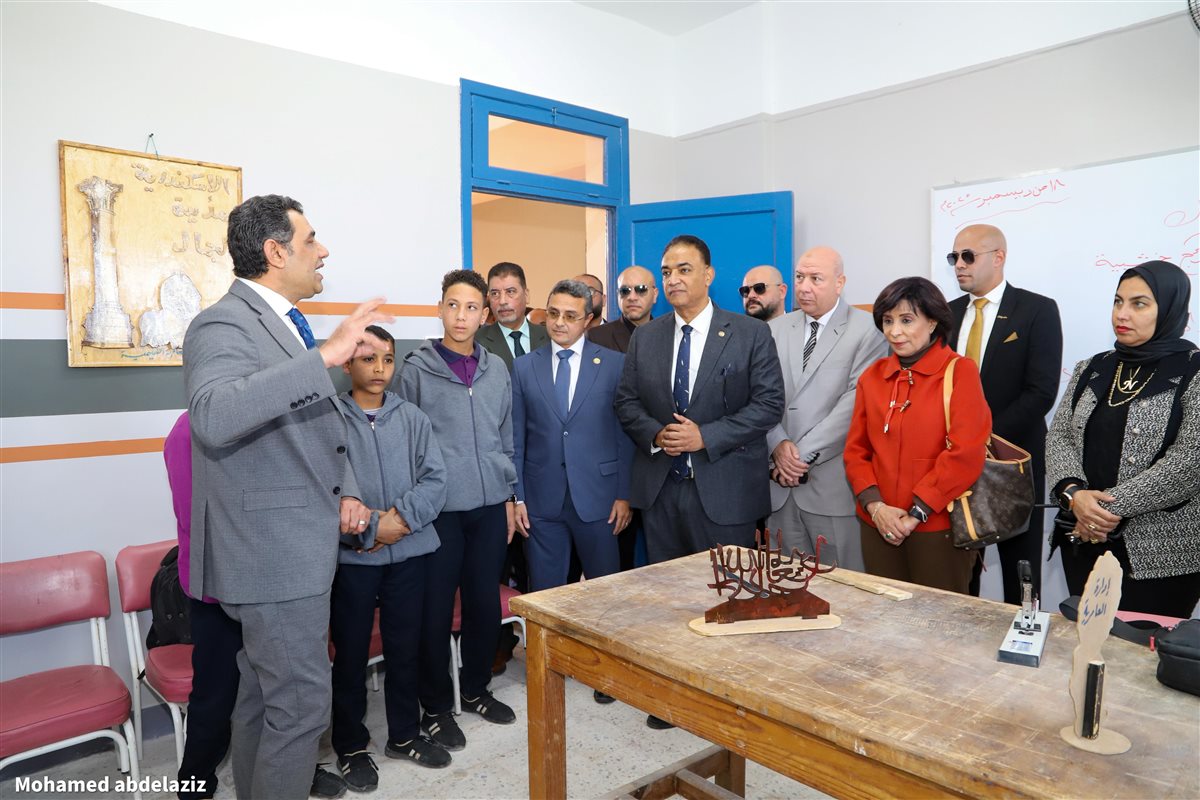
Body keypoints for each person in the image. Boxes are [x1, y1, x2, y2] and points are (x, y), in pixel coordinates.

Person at [184, 194, 390, 800]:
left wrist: (347, 493)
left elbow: (310, 433)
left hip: (292, 548)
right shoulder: (223, 323)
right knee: (300, 708)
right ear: (276, 252)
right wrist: (326, 355)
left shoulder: (281, 324)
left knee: (262, 702)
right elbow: (214, 416)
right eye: (310, 240)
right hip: (271, 556)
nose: (323, 251)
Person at [615, 234, 784, 729]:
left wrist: (704, 436)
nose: (673, 280)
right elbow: (626, 402)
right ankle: (672, 699)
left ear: (708, 275)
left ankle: (727, 701)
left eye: (684, 270)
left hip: (726, 492)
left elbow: (768, 405)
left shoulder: (749, 333)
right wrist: (658, 434)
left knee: (729, 599)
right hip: (662, 490)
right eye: (666, 271)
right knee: (670, 603)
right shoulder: (647, 337)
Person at [397, 269, 518, 752]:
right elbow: (402, 441)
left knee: (484, 605)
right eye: (453, 305)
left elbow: (506, 437)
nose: (461, 316)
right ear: (440, 309)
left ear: (484, 314)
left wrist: (509, 497)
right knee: (435, 611)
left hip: (489, 507)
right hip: (439, 511)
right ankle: (435, 707)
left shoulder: (497, 369)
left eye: (471, 307)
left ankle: (475, 690)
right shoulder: (415, 370)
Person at [330, 325, 449, 791]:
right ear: (347, 364)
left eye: (387, 359)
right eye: (368, 359)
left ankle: (404, 734)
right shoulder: (330, 419)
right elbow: (329, 488)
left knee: (406, 648)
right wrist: (371, 530)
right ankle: (350, 746)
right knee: (351, 655)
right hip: (353, 563)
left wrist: (399, 521)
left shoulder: (412, 418)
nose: (379, 368)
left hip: (409, 553)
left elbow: (435, 480)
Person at [1046, 260, 1200, 617]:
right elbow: (1060, 437)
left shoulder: (1194, 371)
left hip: (1160, 555)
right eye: (1118, 301)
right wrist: (1074, 495)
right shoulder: (1092, 368)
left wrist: (1100, 511)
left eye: (1139, 304)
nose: (1122, 313)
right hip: (1082, 541)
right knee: (1086, 640)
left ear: (1170, 309)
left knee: (1143, 649)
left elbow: (1190, 461)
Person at [511, 280, 633, 705]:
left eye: (570, 315)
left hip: (599, 497)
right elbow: (516, 439)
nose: (560, 323)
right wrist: (517, 497)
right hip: (541, 499)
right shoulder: (524, 367)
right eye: (553, 314)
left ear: (589, 320)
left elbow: (625, 434)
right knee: (546, 592)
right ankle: (549, 668)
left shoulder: (614, 365)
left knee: (603, 590)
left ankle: (605, 673)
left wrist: (623, 493)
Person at [843, 277, 991, 595]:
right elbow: (856, 451)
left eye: (907, 320)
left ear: (933, 321)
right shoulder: (872, 376)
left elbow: (966, 454)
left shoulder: (960, 371)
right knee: (883, 615)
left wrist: (917, 512)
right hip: (878, 525)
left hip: (937, 526)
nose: (895, 331)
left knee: (937, 618)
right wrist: (876, 508)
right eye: (888, 321)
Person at [946, 224, 1063, 603]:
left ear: (999, 257)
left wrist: (981, 437)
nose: (959, 265)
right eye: (954, 257)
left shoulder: (1036, 310)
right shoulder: (947, 314)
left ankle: (1023, 633)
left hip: (1014, 461)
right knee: (961, 569)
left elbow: (1041, 392)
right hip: (954, 463)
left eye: (968, 256)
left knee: (1021, 570)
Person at [766, 247, 888, 569]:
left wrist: (797, 458)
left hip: (832, 490)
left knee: (842, 589)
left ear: (839, 282)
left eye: (815, 279)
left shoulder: (869, 329)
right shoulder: (774, 329)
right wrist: (777, 444)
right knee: (784, 586)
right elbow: (760, 396)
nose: (804, 287)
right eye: (799, 277)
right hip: (778, 488)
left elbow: (855, 403)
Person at [163, 413, 241, 800]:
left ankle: (287, 770)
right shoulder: (187, 431)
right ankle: (195, 783)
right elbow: (196, 516)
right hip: (217, 586)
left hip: (264, 584)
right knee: (215, 693)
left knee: (275, 691)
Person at [475, 262, 549, 369]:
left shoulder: (549, 337)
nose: (502, 301)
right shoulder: (477, 342)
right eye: (495, 293)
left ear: (526, 295)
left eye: (510, 292)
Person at [589, 266, 657, 354]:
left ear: (655, 295)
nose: (632, 297)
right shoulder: (596, 338)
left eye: (641, 289)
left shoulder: (668, 335)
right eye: (624, 291)